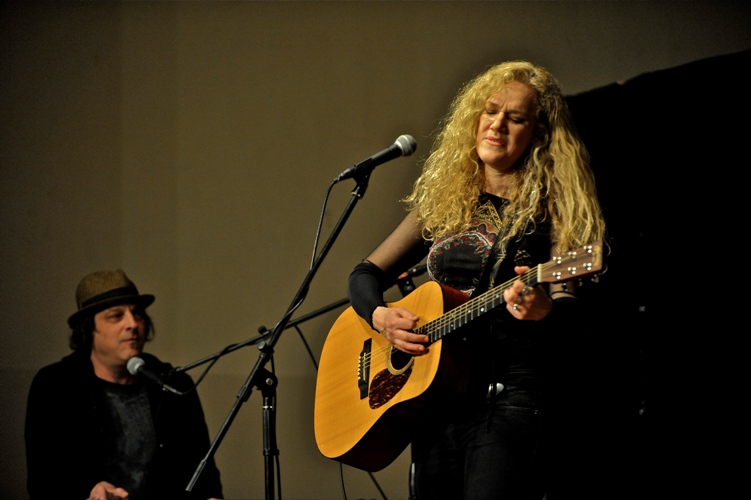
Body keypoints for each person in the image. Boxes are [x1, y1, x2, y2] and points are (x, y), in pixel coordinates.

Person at [346, 61, 606, 499]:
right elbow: (365, 274)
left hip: (508, 400)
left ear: (538, 134)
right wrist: (380, 316)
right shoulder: (447, 201)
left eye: (515, 118)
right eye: (490, 111)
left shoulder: (555, 208)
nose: (497, 125)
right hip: (438, 403)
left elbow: (570, 310)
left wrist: (544, 311)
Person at [24, 269, 223, 500]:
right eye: (116, 316)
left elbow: (203, 472)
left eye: (137, 313)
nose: (133, 323)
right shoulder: (55, 385)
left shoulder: (172, 383)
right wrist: (89, 490)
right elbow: (43, 481)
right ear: (88, 328)